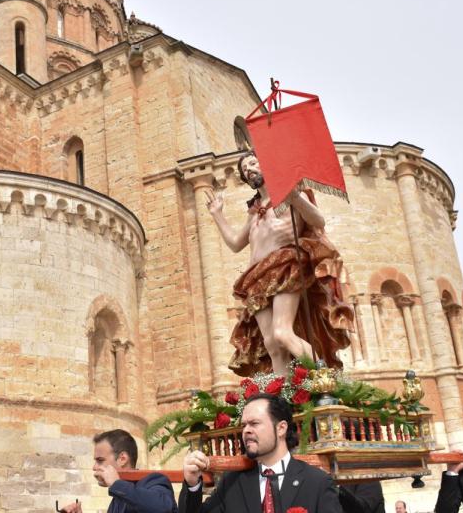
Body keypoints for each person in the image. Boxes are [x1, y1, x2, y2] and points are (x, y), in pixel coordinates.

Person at [206, 151, 353, 376]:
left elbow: (318, 221)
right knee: (271, 344)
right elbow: (236, 244)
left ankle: (328, 381)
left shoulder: (290, 193)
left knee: (282, 332)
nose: (249, 169)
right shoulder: (254, 211)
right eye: (245, 169)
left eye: (253, 163)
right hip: (255, 276)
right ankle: (282, 397)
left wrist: (293, 196)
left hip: (285, 264)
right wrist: (217, 214)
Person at [179, 393, 341, 513]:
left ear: (281, 428)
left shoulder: (317, 482)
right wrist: (193, 484)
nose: (246, 431)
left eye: (254, 423)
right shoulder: (232, 482)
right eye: (244, 426)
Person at [61, 429, 177, 513]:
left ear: (122, 459)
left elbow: (162, 508)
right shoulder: (118, 498)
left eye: (100, 460)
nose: (94, 467)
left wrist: (117, 484)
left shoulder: (154, 481)